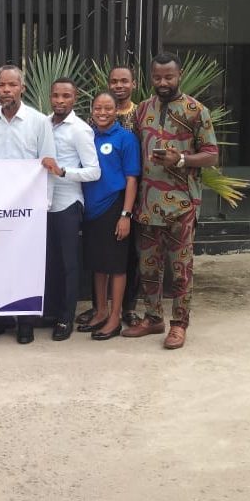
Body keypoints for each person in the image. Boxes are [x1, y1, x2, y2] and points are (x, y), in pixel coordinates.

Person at [123, 53, 218, 349]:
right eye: (157, 77)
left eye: (169, 77)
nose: (163, 82)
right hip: (146, 205)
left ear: (180, 75)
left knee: (180, 270)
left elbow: (212, 155)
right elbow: (133, 150)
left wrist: (181, 160)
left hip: (182, 206)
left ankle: (179, 324)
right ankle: (153, 318)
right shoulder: (142, 110)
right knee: (148, 268)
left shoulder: (196, 110)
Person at [0, 65, 59, 344]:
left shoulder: (39, 122)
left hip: (29, 209)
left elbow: (48, 164)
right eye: (2, 85)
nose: (6, 90)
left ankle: (25, 322)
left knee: (26, 265)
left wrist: (44, 204)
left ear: (22, 88)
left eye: (12, 85)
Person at [77, 65, 142, 328]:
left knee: (116, 265)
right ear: (91, 111)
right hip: (91, 209)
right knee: (98, 264)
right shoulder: (86, 136)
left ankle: (116, 317)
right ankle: (101, 311)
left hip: (114, 207)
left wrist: (126, 215)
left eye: (108, 108)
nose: (102, 113)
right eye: (98, 108)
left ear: (117, 111)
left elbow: (131, 179)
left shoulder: (126, 138)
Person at [43, 78, 100, 341]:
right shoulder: (43, 123)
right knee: (49, 263)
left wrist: (63, 171)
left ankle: (66, 318)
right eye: (56, 95)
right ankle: (50, 313)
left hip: (67, 202)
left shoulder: (80, 129)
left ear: (74, 99)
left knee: (69, 263)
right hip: (43, 203)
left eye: (66, 96)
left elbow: (94, 171)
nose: (60, 100)